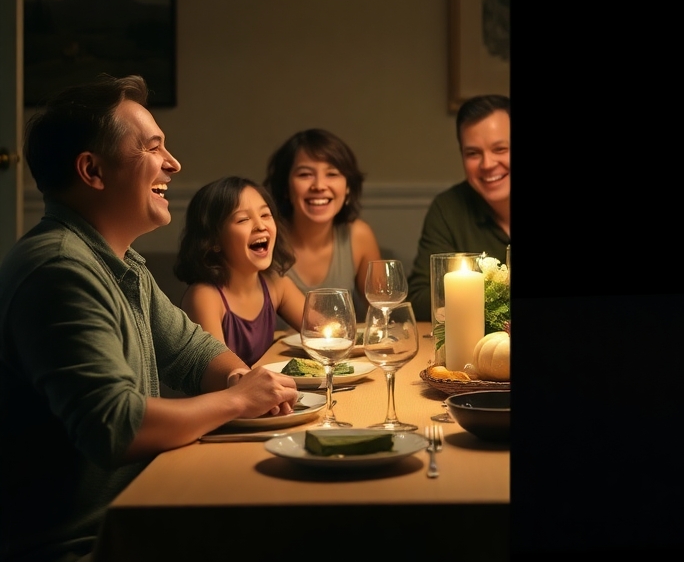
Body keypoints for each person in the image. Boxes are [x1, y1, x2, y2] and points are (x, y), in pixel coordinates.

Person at [0, 75, 298, 562]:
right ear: (93, 170)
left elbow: (192, 351)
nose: (174, 162)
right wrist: (239, 400)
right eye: (153, 146)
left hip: (125, 522)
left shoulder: (118, 261)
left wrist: (243, 378)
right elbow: (116, 426)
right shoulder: (60, 270)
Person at [174, 176, 308, 366]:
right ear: (213, 241)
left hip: (265, 392)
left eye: (265, 215)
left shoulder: (276, 284)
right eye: (243, 219)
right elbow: (221, 374)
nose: (261, 226)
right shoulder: (205, 297)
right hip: (227, 394)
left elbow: (324, 333)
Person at [407, 95, 510, 320]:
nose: (487, 164)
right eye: (473, 153)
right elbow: (421, 298)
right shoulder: (447, 208)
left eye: (500, 149)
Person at [264, 129, 381, 321]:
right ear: (285, 187)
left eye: (332, 174)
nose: (319, 185)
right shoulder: (264, 237)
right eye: (305, 174)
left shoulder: (359, 235)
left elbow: (381, 315)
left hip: (342, 351)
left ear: (348, 186)